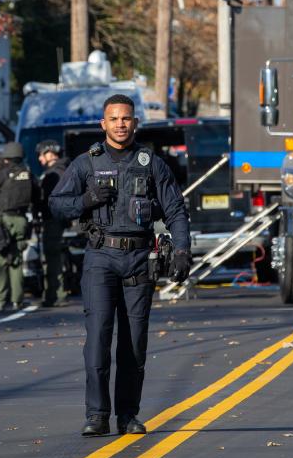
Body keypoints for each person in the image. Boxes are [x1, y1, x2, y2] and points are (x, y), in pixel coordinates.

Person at [50, 94, 191, 437]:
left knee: (134, 344)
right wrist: (86, 200)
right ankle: (97, 415)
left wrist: (184, 250)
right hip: (100, 257)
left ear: (135, 122)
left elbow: (175, 210)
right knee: (98, 340)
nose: (120, 124)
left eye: (126, 118)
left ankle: (128, 416)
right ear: (103, 124)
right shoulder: (86, 163)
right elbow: (56, 204)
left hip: (139, 259)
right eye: (114, 119)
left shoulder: (152, 163)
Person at [0, 142, 38, 310]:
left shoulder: (0, 174)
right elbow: (37, 196)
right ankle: (17, 299)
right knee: (16, 260)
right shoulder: (28, 174)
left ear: (6, 157)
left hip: (3, 221)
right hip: (21, 220)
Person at [36, 139, 72, 307]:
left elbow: (49, 200)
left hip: (54, 221)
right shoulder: (65, 169)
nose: (39, 159)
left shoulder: (55, 173)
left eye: (41, 154)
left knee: (52, 258)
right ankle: (57, 293)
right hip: (60, 220)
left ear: (50, 153)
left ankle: (54, 294)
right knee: (56, 257)